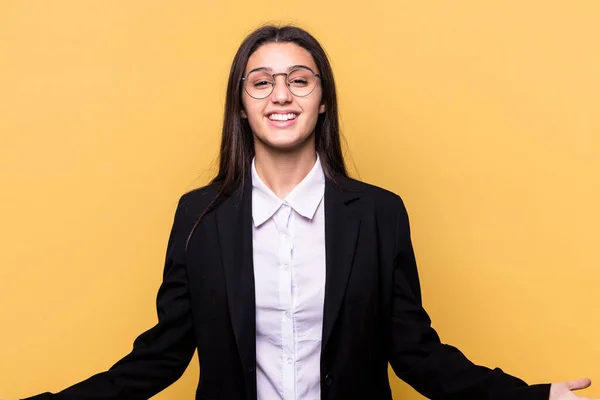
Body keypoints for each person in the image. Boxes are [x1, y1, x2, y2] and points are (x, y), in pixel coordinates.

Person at [10, 25, 596, 400]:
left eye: (299, 80)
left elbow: (417, 352)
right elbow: (160, 355)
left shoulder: (378, 214)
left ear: (323, 100)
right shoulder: (200, 218)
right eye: (260, 82)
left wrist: (533, 397)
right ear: (241, 106)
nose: (281, 95)